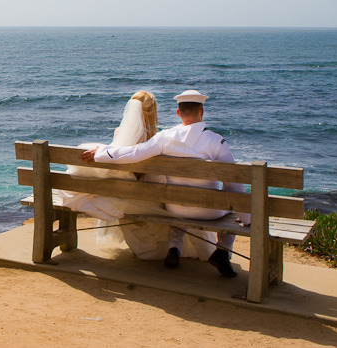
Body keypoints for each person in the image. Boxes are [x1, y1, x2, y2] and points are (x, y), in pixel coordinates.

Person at [80, 89, 251, 277]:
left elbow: (134, 153)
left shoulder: (165, 138)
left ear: (178, 113)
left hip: (175, 208)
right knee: (233, 205)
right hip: (209, 212)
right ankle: (222, 251)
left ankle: (174, 248)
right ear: (202, 111)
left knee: (179, 201)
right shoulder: (217, 142)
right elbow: (234, 186)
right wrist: (247, 220)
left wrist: (102, 153)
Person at [59, 90, 217, 262]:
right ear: (153, 111)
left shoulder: (120, 133)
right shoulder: (160, 137)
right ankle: (177, 248)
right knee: (177, 203)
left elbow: (124, 156)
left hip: (127, 197)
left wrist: (102, 151)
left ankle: (151, 248)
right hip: (150, 199)